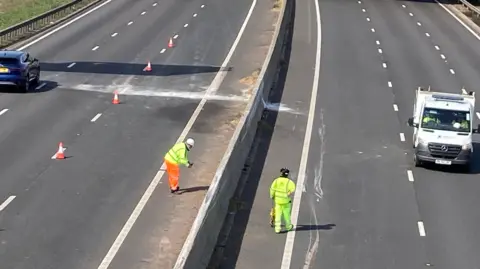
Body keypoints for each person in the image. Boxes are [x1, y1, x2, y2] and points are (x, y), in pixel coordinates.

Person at [270, 168, 296, 233]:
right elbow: (293, 188)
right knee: (286, 214)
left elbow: (272, 189)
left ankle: (277, 229)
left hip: (278, 201)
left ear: (281, 173)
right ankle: (288, 226)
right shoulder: (289, 182)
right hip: (286, 201)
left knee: (278, 215)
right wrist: (288, 193)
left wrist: (272, 196)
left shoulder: (276, 181)